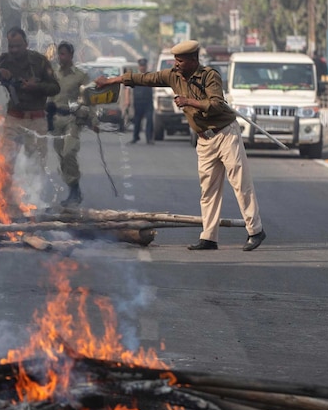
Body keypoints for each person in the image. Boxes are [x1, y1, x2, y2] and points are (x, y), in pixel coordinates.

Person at [95, 40, 266, 252]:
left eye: (180, 60)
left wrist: (189, 101)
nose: (176, 64)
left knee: (240, 184)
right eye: (175, 60)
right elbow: (144, 78)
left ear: (193, 60)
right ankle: (209, 237)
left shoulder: (209, 76)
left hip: (224, 134)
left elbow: (216, 104)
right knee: (208, 190)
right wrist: (111, 80)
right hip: (204, 139)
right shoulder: (172, 76)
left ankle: (255, 231)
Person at [0, 27, 60, 203]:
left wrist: (35, 87)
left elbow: (55, 87)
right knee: (6, 163)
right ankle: (6, 201)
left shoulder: (39, 62)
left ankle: (34, 203)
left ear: (26, 44)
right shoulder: (4, 60)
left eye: (18, 46)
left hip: (36, 119)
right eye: (11, 46)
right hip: (14, 119)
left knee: (36, 164)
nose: (14, 50)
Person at [47, 41, 90, 206]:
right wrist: (47, 116)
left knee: (69, 152)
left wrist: (91, 119)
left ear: (71, 55)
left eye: (64, 54)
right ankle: (73, 190)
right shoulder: (54, 76)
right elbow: (50, 96)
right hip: (56, 119)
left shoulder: (80, 76)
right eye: (59, 54)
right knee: (61, 157)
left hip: (72, 119)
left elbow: (88, 100)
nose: (61, 57)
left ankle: (74, 188)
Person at [130, 58, 154, 144]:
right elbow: (129, 89)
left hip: (148, 102)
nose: (142, 68)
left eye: (144, 66)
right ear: (139, 67)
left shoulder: (150, 76)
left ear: (146, 66)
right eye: (141, 66)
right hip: (138, 102)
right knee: (137, 121)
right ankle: (135, 137)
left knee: (149, 120)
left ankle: (149, 138)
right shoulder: (135, 77)